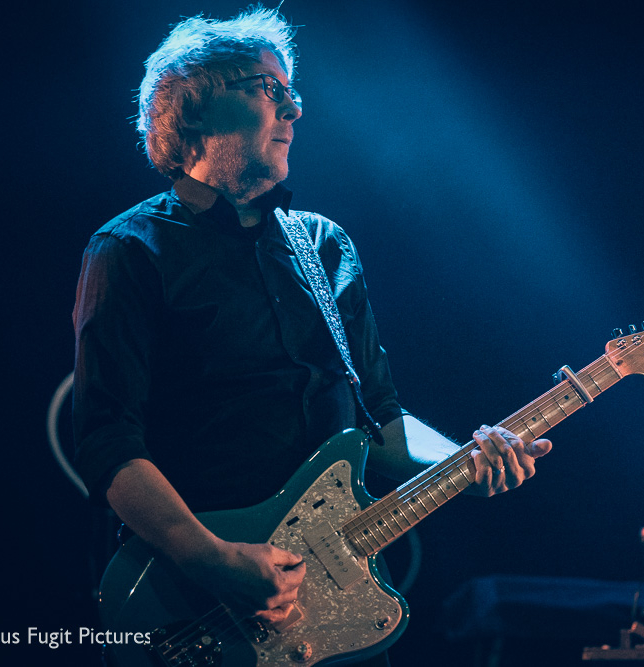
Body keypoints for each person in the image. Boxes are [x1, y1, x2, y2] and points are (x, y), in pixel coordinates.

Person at [71, 7, 551, 664]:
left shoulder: (324, 245)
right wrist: (212, 558)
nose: (293, 109)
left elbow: (380, 421)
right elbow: (107, 442)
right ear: (194, 108)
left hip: (334, 604)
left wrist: (465, 461)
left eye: (291, 92)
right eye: (266, 88)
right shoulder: (129, 250)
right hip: (197, 602)